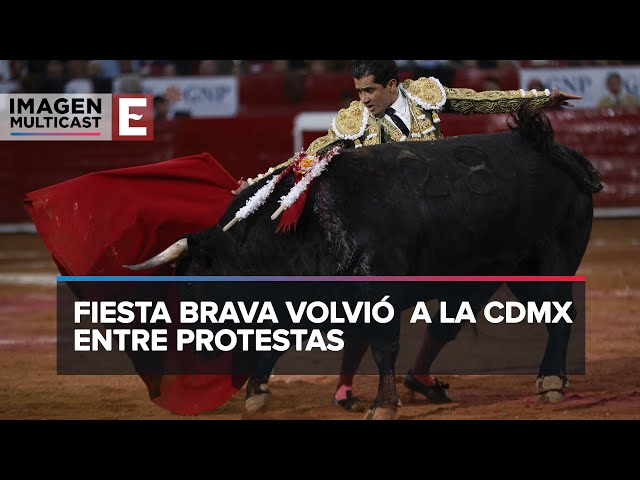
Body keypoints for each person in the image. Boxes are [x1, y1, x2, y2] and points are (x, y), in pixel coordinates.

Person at [230, 60, 581, 411]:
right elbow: (309, 156)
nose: (363, 99)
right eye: (359, 91)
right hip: (388, 233)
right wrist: (260, 185)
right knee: (359, 299)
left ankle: (419, 372)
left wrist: (540, 100)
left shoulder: (423, 95)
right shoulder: (354, 120)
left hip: (437, 223)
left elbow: (479, 101)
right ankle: (343, 384)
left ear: (393, 85)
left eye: (370, 90)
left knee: (467, 290)